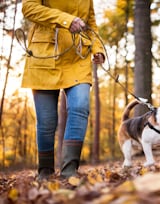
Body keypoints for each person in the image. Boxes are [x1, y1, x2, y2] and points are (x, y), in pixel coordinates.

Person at [21, 0, 105, 180]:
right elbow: (28, 8)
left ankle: (69, 171)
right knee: (47, 121)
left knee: (80, 107)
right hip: (45, 54)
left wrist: (97, 49)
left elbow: (90, 22)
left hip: (78, 55)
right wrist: (66, 20)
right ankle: (45, 172)